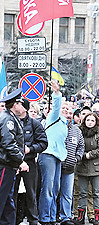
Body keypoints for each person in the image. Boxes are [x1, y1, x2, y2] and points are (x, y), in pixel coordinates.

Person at [38, 80, 69, 224]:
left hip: (58, 156)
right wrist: (56, 92)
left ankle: (51, 217)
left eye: (68, 110)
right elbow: (56, 105)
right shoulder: (53, 116)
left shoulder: (65, 124)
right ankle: (44, 217)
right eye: (64, 109)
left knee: (55, 188)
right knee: (48, 187)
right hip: (48, 154)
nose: (66, 111)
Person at [14, 98, 48, 225]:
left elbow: (43, 143)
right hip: (13, 163)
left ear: (25, 108)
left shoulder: (35, 124)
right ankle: (14, 219)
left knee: (31, 193)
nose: (16, 107)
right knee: (12, 193)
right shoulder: (10, 121)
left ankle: (33, 220)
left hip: (30, 162)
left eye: (19, 105)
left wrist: (30, 149)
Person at [0, 88, 27, 225]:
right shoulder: (8, 119)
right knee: (2, 199)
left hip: (9, 165)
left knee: (7, 203)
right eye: (20, 103)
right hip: (5, 165)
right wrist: (20, 161)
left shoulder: (11, 118)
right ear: (15, 105)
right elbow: (8, 143)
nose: (22, 107)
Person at [75, 113, 99, 225]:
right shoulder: (79, 132)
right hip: (82, 165)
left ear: (96, 122)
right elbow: (76, 146)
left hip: (96, 167)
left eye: (92, 120)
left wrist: (89, 155)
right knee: (82, 193)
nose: (90, 122)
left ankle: (97, 217)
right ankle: (80, 217)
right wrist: (82, 155)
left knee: (96, 192)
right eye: (88, 120)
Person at [60, 107, 85, 225]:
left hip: (70, 166)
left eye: (71, 113)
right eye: (66, 113)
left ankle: (66, 217)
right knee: (53, 192)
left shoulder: (76, 130)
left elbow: (81, 146)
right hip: (56, 165)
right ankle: (53, 216)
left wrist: (77, 158)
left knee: (67, 194)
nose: (68, 115)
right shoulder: (57, 127)